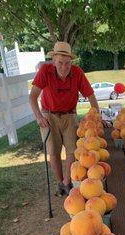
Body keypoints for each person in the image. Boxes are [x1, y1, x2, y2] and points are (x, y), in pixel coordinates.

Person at [29, 41, 99, 195]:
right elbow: (33, 96)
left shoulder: (77, 72)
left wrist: (96, 116)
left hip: (69, 114)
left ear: (71, 62)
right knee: (53, 150)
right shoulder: (45, 71)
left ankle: (67, 182)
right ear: (54, 62)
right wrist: (38, 116)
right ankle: (60, 182)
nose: (64, 67)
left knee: (72, 150)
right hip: (48, 115)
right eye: (60, 62)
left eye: (67, 63)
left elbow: (91, 96)